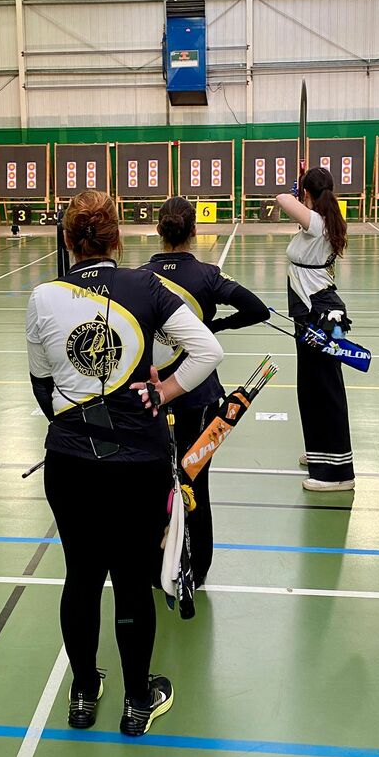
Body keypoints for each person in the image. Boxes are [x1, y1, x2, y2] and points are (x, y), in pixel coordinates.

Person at [26, 190, 223, 737]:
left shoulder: (43, 297)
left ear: (70, 242)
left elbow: (43, 389)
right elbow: (208, 351)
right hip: (138, 465)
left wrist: (79, 419)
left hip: (70, 464)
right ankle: (137, 701)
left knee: (81, 577)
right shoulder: (146, 286)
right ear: (117, 239)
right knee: (133, 581)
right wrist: (164, 392)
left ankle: (83, 693)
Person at [142, 196, 270, 584]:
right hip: (199, 397)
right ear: (194, 231)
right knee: (194, 481)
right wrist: (214, 327)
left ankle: (157, 566)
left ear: (159, 230)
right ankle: (196, 571)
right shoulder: (207, 275)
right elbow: (258, 310)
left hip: (154, 396)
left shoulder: (139, 278)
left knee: (156, 481)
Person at [276, 166, 355, 492]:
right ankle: (321, 453)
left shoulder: (318, 223)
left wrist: (297, 193)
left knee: (325, 388)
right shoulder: (320, 222)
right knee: (310, 387)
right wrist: (305, 191)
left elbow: (281, 198)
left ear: (308, 194)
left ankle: (338, 474)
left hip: (319, 314)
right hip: (312, 311)